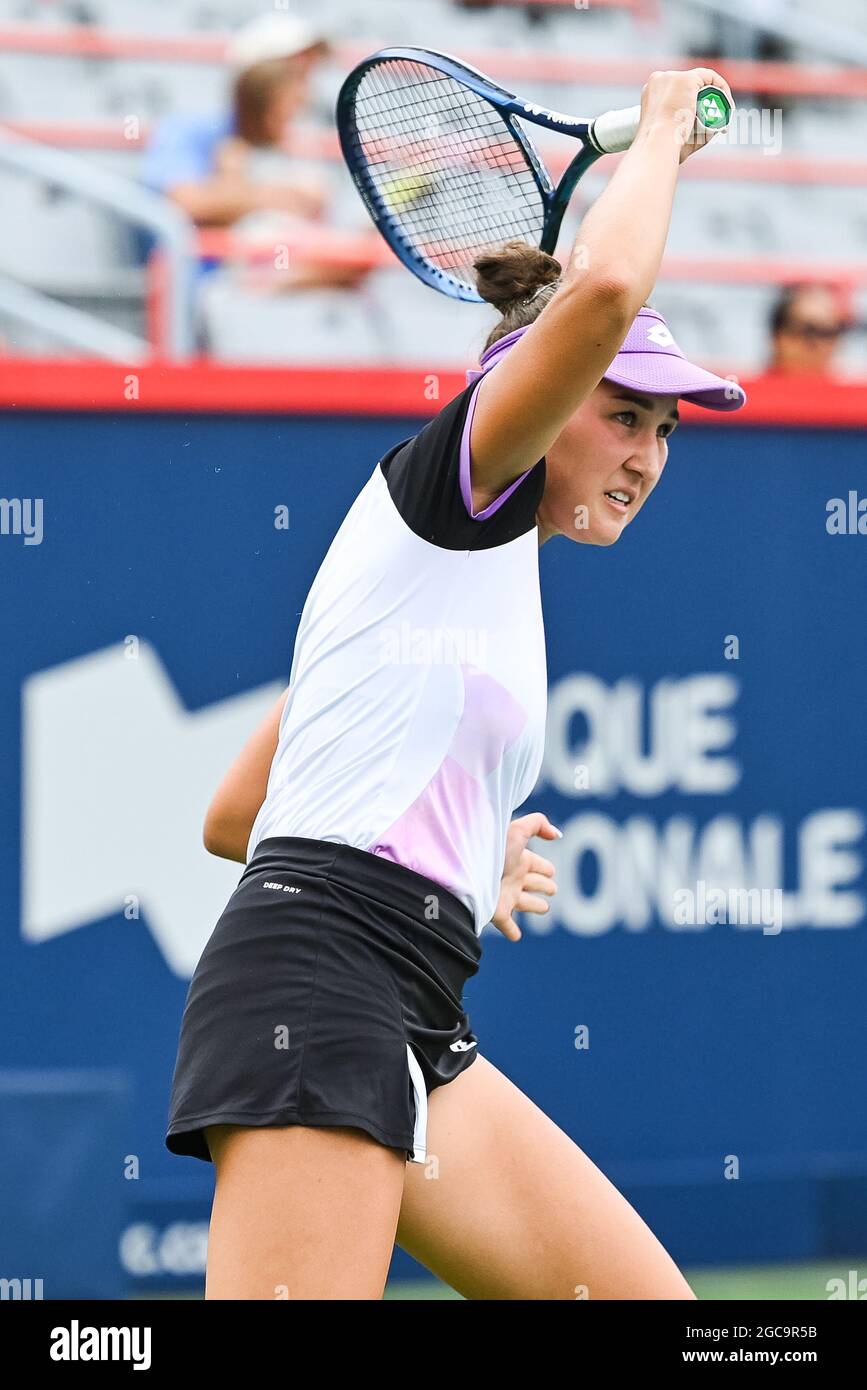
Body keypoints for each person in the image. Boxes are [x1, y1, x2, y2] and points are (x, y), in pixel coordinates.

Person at [165, 67, 745, 1301]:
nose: (646, 454)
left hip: (416, 1002)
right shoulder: (460, 483)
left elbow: (232, 817)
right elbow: (604, 288)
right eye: (624, 413)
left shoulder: (445, 591)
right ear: (533, 392)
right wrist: (661, 131)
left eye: (666, 431)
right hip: (317, 986)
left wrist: (460, 858)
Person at [142, 13, 364, 290]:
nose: (304, 95)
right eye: (295, 77)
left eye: (306, 77)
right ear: (256, 83)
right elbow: (186, 201)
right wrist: (276, 196)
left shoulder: (293, 147)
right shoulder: (191, 131)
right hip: (206, 298)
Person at [760, 282, 852, 378]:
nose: (819, 343)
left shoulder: (852, 388)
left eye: (828, 332)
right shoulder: (750, 390)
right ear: (777, 336)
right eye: (809, 330)